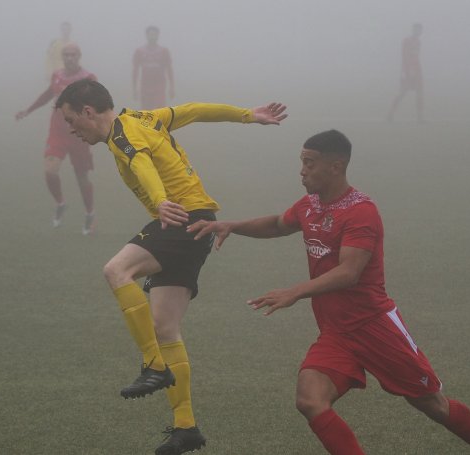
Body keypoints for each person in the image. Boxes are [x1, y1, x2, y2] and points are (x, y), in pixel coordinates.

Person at [188, 129, 470, 454]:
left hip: (375, 327)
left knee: (434, 406)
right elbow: (279, 224)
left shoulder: (361, 211)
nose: (302, 171)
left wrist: (296, 291)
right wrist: (233, 226)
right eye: (302, 162)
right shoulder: (310, 205)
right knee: (310, 399)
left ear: (335, 167)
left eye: (310, 163)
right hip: (337, 333)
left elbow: (349, 273)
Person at [54, 78, 288, 455]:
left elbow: (141, 161)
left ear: (88, 112)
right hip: (199, 223)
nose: (71, 129)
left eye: (71, 120)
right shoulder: (145, 118)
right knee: (165, 327)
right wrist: (248, 116)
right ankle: (186, 428)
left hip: (181, 218)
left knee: (117, 271)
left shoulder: (121, 134)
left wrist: (162, 201)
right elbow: (194, 110)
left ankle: (153, 365)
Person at [16, 43, 96, 233]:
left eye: (73, 55)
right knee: (50, 170)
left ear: (79, 56)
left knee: (81, 177)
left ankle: (90, 214)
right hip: (58, 132)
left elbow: (98, 104)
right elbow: (47, 94)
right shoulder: (57, 76)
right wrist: (28, 110)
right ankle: (60, 203)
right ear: (63, 57)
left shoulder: (88, 78)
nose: (70, 58)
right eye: (66, 55)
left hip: (79, 135)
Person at [387, 23, 424, 123]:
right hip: (408, 71)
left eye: (420, 30)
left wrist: (417, 70)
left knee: (419, 93)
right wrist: (407, 71)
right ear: (413, 30)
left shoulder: (418, 42)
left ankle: (420, 117)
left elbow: (416, 57)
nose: (419, 32)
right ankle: (390, 114)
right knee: (402, 93)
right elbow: (405, 56)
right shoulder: (407, 41)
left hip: (417, 70)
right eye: (417, 30)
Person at [132, 26, 174, 110]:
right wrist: (134, 89)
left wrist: (172, 87)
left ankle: (161, 123)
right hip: (145, 86)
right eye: (150, 34)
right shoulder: (139, 51)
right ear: (146, 35)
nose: (152, 36)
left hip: (159, 86)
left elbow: (169, 70)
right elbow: (135, 71)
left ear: (158, 36)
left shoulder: (164, 51)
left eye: (155, 34)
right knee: (146, 112)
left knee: (160, 110)